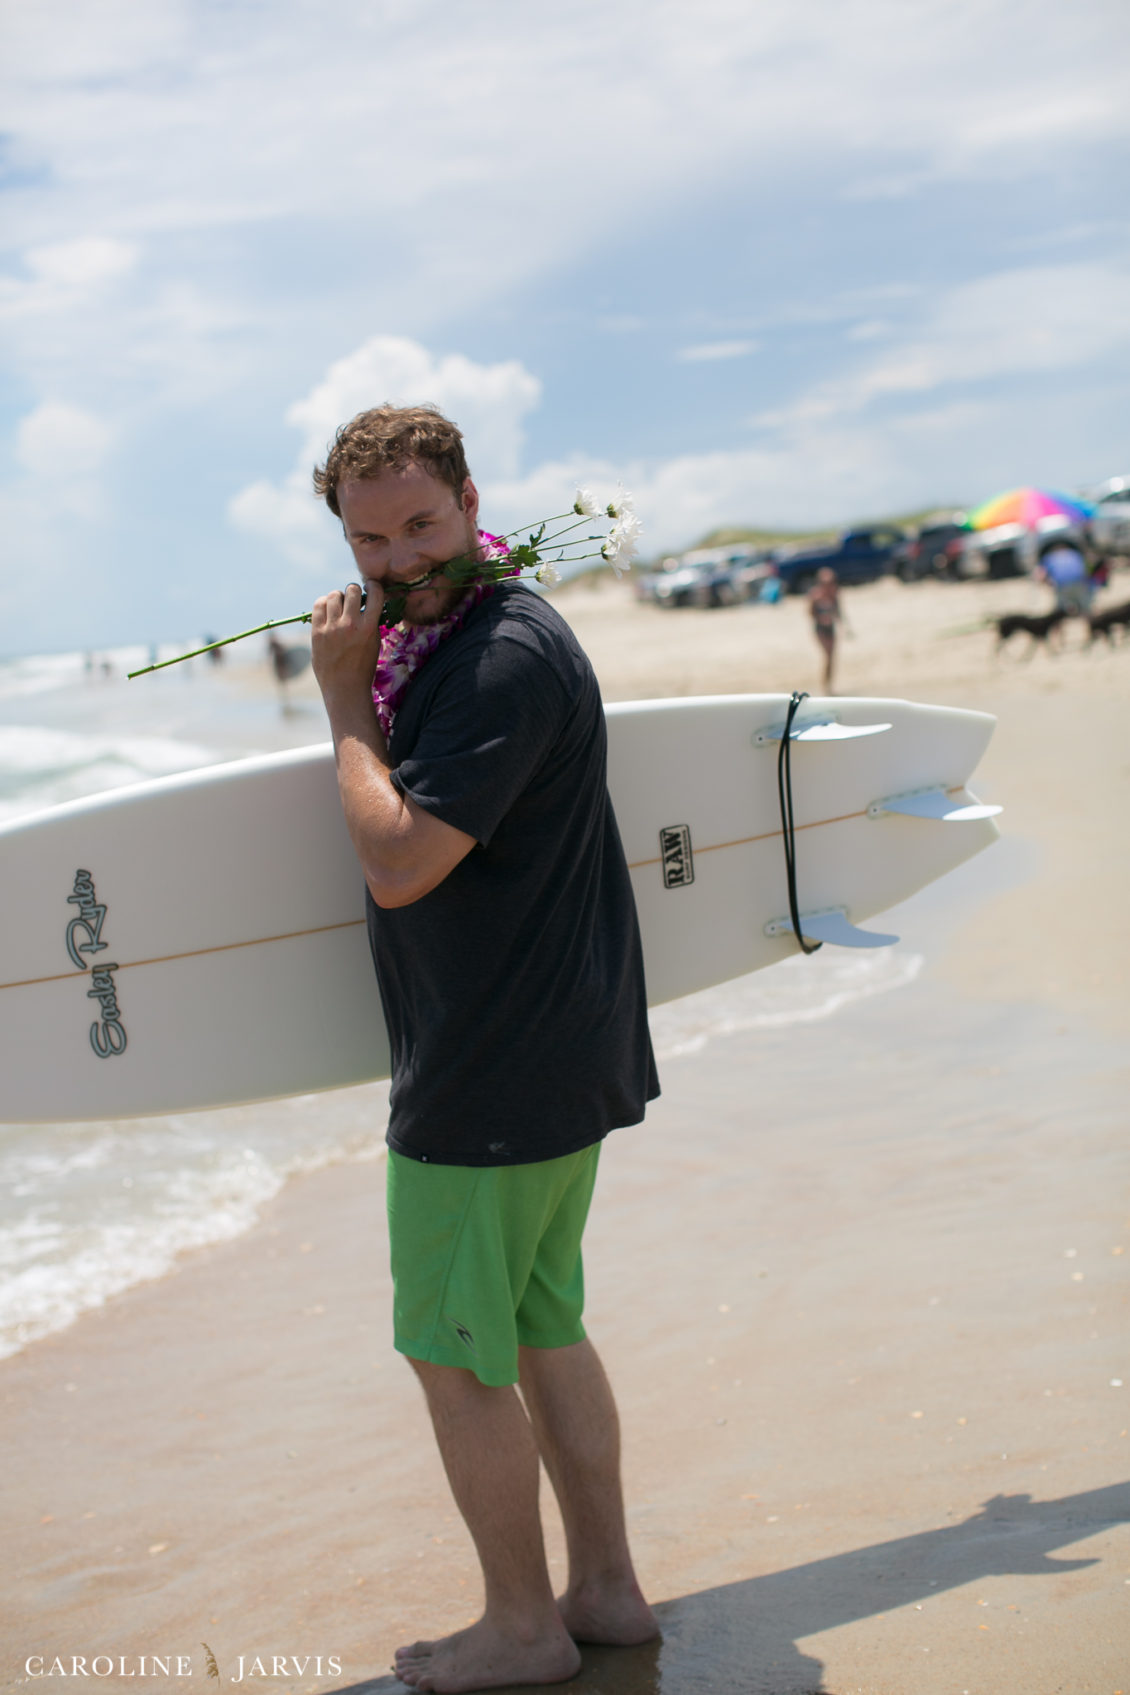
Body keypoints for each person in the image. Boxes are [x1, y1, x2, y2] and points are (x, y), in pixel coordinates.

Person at [308, 404, 660, 1693]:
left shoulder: (497, 655)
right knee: (539, 1323)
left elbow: (401, 862)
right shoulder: (478, 638)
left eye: (421, 525)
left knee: (453, 1359)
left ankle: (523, 1626)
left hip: (490, 1075)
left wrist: (344, 701)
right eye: (370, 540)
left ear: (470, 502)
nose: (400, 561)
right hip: (558, 1051)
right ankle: (606, 1591)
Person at [807, 566, 847, 692]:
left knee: (832, 657)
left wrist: (844, 625)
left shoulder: (834, 594)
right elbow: (810, 613)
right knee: (828, 656)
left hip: (831, 628)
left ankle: (829, 684)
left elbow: (839, 611)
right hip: (820, 629)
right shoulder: (815, 595)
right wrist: (821, 618)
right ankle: (825, 685)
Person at [1037, 534, 1093, 616]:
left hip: (1062, 584)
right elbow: (1087, 569)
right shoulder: (1075, 554)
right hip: (1079, 582)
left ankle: (1059, 625)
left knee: (1059, 610)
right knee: (1085, 607)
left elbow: (1041, 575)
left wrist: (1048, 584)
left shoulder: (1049, 557)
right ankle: (1088, 622)